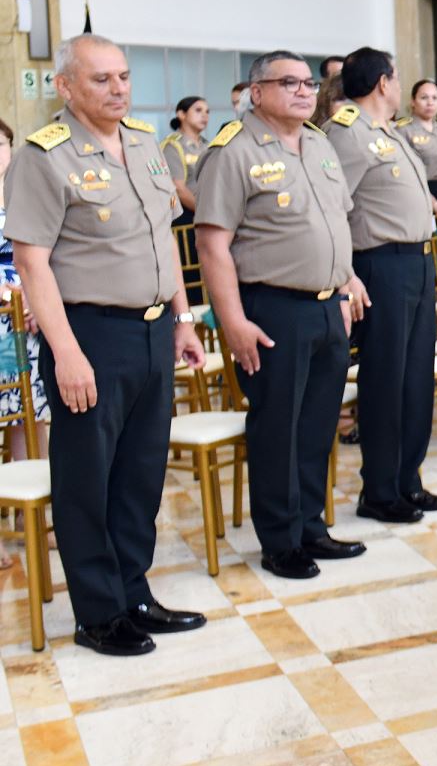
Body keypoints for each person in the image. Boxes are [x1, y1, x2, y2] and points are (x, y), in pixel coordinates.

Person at [7, 37, 206, 654]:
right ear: (66, 87)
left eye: (123, 76)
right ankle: (98, 613)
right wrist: (65, 352)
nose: (118, 88)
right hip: (90, 334)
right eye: (101, 79)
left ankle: (134, 592)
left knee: (141, 473)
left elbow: (164, 240)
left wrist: (182, 318)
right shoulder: (45, 157)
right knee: (86, 479)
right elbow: (32, 262)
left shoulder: (145, 145)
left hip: (151, 330)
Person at [197, 51, 371, 580]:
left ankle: (311, 526)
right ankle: (279, 539)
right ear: (257, 92)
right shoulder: (232, 151)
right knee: (277, 427)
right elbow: (212, 245)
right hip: (271, 309)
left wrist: (347, 280)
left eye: (308, 82)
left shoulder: (318, 142)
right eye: (288, 83)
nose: (303, 91)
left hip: (326, 307)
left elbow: (335, 220)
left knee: (318, 424)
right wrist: (233, 322)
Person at [325, 48, 437, 525]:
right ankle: (378, 489)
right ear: (383, 83)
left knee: (416, 376)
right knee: (386, 380)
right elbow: (332, 207)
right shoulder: (347, 135)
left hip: (416, 265)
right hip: (379, 266)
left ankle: (407, 480)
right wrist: (344, 275)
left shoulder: (386, 132)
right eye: (397, 80)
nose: (400, 88)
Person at [0, 117, 50, 468]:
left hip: (29, 314)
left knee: (30, 406)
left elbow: (49, 253)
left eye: (1, 145)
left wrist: (34, 297)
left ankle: (28, 504)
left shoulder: (26, 194)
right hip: (4, 314)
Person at [398, 79, 437, 220]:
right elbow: (407, 174)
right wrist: (434, 204)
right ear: (413, 101)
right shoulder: (403, 131)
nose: (430, 102)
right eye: (424, 97)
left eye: (435, 98)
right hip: (421, 197)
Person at [161, 95, 208, 224]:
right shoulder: (173, 145)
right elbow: (179, 189)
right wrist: (207, 213)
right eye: (198, 110)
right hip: (187, 218)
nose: (204, 115)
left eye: (207, 112)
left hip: (209, 215)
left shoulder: (207, 145)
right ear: (181, 114)